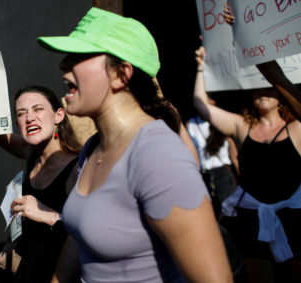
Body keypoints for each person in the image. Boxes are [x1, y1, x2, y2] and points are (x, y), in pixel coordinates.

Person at [36, 7, 233, 282]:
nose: (63, 66)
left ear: (121, 74)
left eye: (79, 56)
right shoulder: (93, 148)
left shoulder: (158, 155)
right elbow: (80, 240)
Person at [0, 53, 82, 282]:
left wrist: (50, 215)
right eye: (21, 114)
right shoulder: (30, 152)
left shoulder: (78, 168)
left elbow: (92, 233)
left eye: (38, 109)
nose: (29, 118)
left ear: (58, 115)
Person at [193, 41, 301, 282]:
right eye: (257, 89)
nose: (262, 92)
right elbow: (201, 105)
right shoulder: (241, 127)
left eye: (268, 88)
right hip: (252, 222)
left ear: (281, 94)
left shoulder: (296, 129)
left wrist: (278, 78)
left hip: (294, 220)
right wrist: (201, 67)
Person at [186, 111, 239, 217]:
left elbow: (234, 156)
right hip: (205, 174)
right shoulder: (191, 123)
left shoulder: (223, 123)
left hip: (221, 173)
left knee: (227, 213)